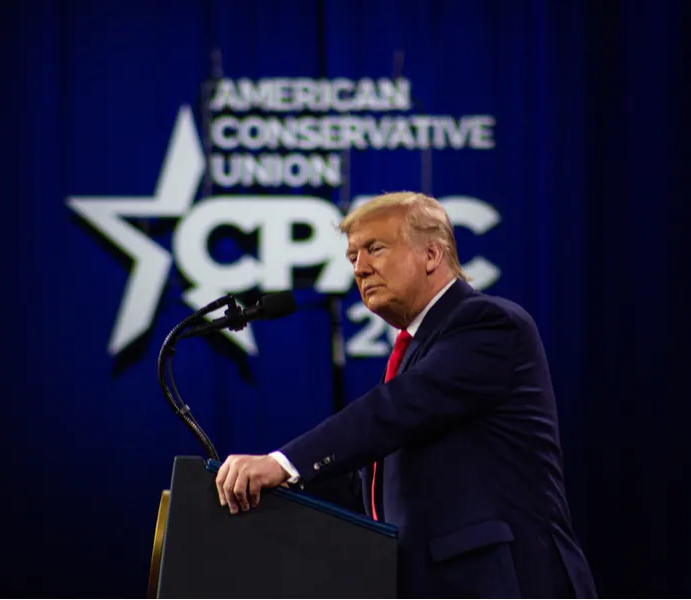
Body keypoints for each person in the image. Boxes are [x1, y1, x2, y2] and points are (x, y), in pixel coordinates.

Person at [214, 192, 597, 598]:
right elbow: (370, 478)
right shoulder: (418, 348)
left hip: (507, 581)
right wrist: (263, 492)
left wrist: (284, 463)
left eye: (374, 249)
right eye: (352, 257)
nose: (360, 269)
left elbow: (395, 410)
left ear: (432, 254)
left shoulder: (488, 324)